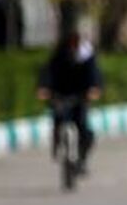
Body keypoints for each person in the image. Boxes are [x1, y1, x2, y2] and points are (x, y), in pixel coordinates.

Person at [37, 30, 103, 173]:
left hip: (80, 97)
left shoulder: (87, 57)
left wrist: (94, 89)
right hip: (61, 95)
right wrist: (44, 88)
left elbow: (94, 75)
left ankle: (82, 160)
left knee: (84, 130)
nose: (73, 47)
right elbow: (48, 72)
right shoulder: (59, 56)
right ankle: (57, 143)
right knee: (58, 119)